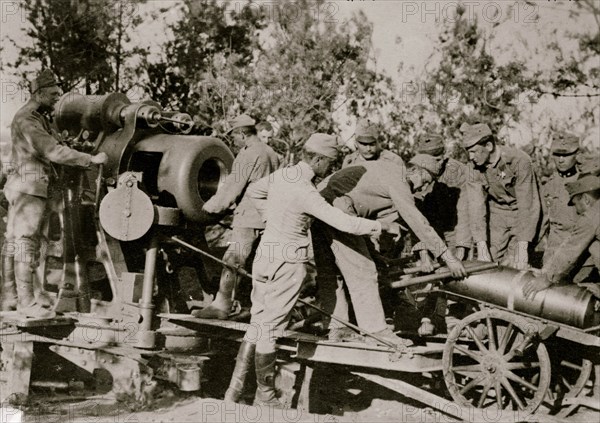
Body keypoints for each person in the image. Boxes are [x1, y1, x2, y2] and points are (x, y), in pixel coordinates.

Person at [226, 133, 402, 406]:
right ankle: (266, 398)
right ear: (317, 159)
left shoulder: (283, 176)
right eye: (329, 164)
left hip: (265, 255)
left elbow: (254, 191)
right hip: (287, 263)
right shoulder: (306, 192)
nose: (330, 170)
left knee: (259, 323)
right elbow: (345, 223)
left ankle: (233, 393)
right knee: (270, 330)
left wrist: (270, 217)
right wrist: (381, 226)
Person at [314, 159, 467, 343]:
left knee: (332, 274)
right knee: (364, 271)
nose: (421, 188)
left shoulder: (384, 170)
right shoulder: (399, 180)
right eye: (425, 181)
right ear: (416, 171)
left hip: (317, 206)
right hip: (338, 209)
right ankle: (376, 332)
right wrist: (448, 257)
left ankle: (337, 327)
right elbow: (416, 221)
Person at [1, 69, 107, 318]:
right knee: (26, 242)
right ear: (39, 93)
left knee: (15, 241)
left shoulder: (38, 118)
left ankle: (11, 298)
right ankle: (26, 302)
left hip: (31, 187)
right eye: (53, 93)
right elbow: (52, 151)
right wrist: (90, 159)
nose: (57, 96)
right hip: (29, 189)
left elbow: (57, 143)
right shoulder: (27, 119)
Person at [195, 114, 280, 319]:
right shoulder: (271, 153)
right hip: (267, 217)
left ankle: (221, 307)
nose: (232, 141)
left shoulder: (248, 154)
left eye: (233, 136)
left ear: (242, 134)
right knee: (259, 265)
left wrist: (209, 207)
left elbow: (233, 186)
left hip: (248, 217)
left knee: (233, 260)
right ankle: (257, 309)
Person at [462, 123, 541, 269]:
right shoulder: (472, 168)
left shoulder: (519, 160)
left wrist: (522, 247)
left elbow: (527, 205)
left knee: (517, 263)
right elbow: (476, 207)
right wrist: (481, 246)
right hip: (497, 214)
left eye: (474, 151)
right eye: (469, 152)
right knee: (488, 261)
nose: (471, 157)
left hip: (523, 215)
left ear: (489, 146)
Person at [413, 133, 492, 262]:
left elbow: (465, 212)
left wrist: (461, 246)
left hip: (454, 226)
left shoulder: (461, 172)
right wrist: (423, 252)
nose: (434, 165)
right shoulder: (415, 172)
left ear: (444, 156)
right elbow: (414, 214)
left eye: (437, 160)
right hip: (430, 227)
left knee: (458, 264)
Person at [523, 174, 600, 299]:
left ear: (586, 199)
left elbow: (570, 249)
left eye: (575, 204)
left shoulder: (591, 217)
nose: (576, 211)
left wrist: (546, 279)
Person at [539, 132, 580, 266]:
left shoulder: (587, 182)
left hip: (582, 256)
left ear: (576, 154)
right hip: (553, 255)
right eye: (557, 155)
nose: (561, 160)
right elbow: (542, 222)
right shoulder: (548, 185)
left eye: (566, 155)